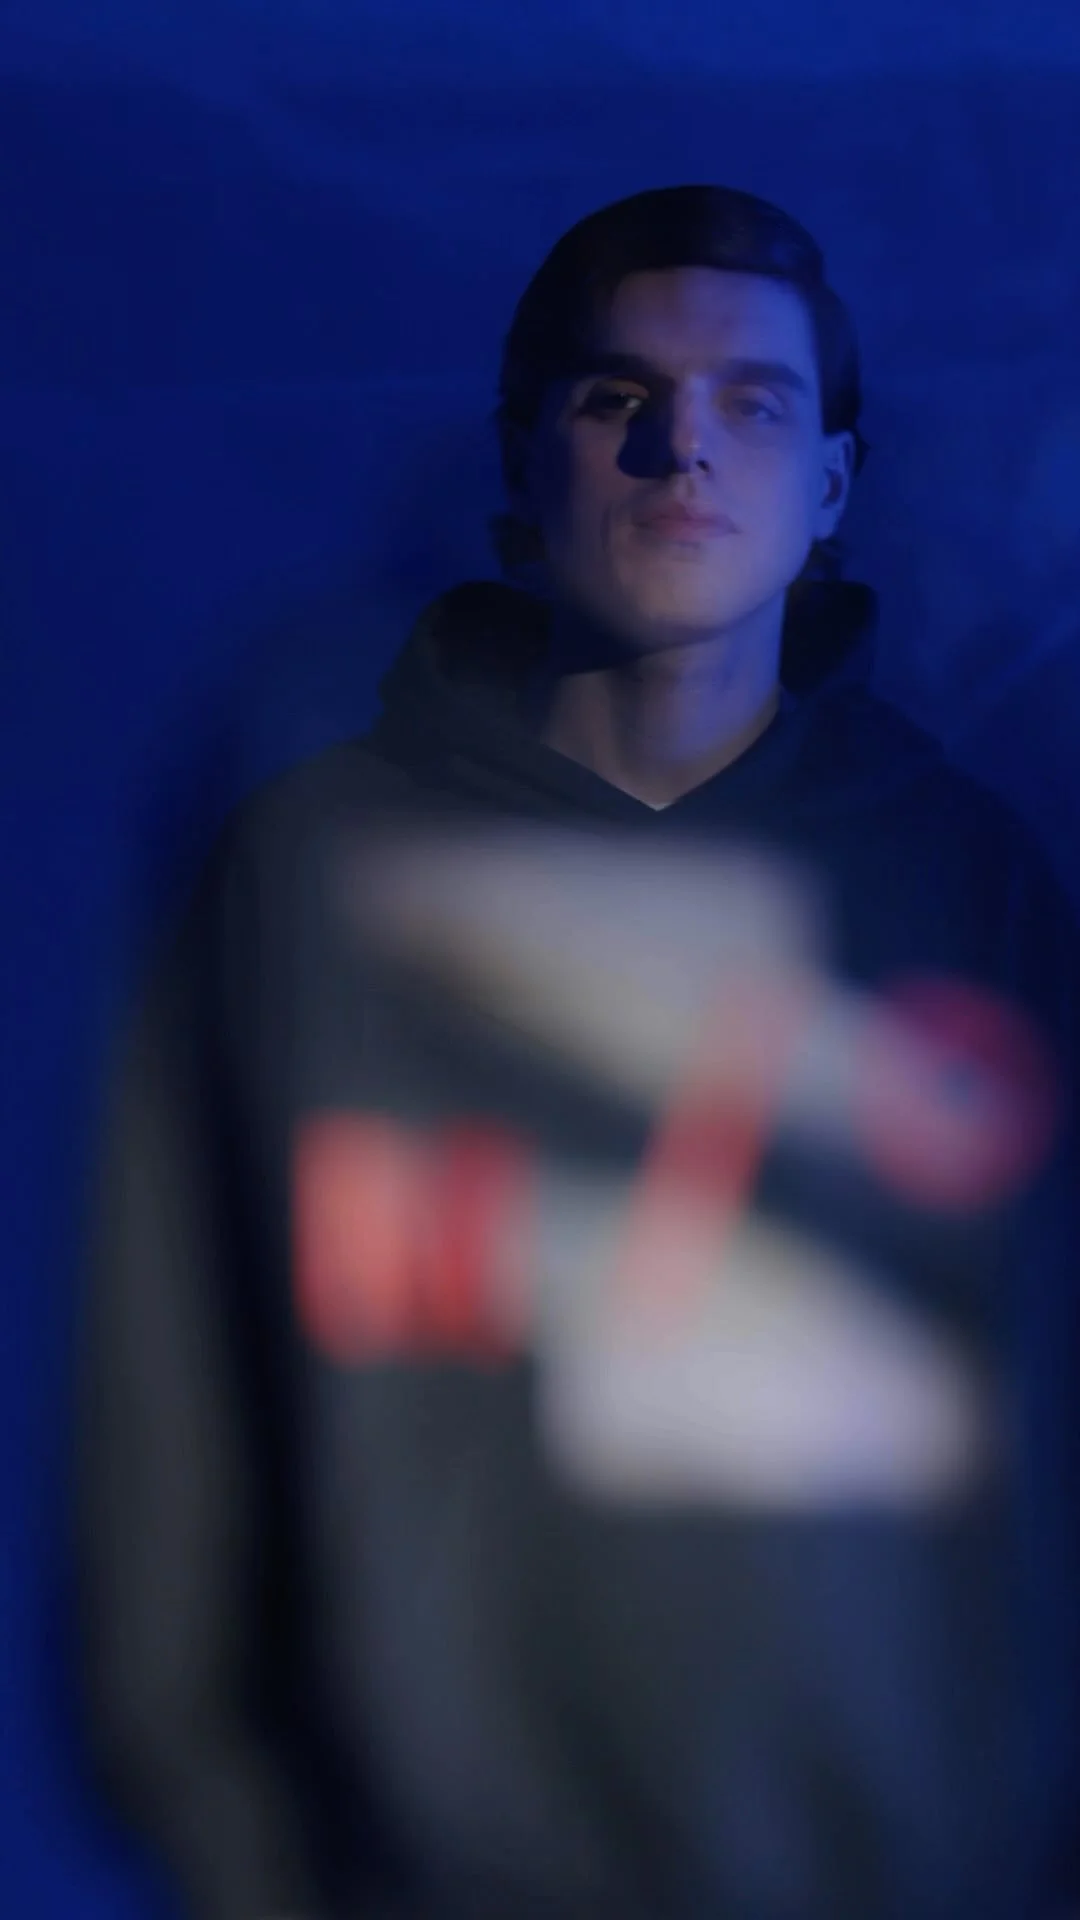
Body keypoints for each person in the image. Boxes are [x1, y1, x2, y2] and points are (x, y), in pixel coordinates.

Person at [76, 186, 1080, 1920]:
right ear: (523, 462)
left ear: (832, 485)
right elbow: (168, 1414)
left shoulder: (967, 889)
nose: (684, 450)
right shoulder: (307, 874)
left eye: (753, 402)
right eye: (621, 398)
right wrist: (255, 1863)